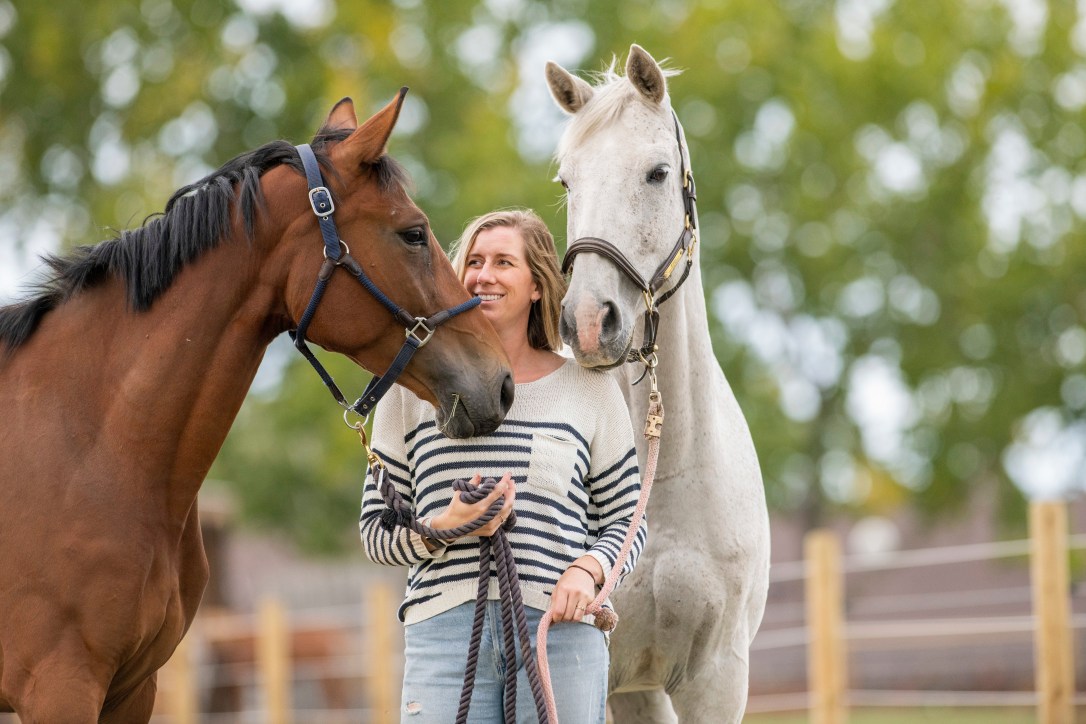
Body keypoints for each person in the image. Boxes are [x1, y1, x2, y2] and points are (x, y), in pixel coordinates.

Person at [359, 208, 646, 723]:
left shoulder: (592, 390)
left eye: (503, 262)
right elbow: (375, 532)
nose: (483, 276)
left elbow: (627, 522)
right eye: (473, 261)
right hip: (443, 634)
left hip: (558, 636)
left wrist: (588, 570)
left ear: (537, 284)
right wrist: (442, 528)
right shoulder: (408, 392)